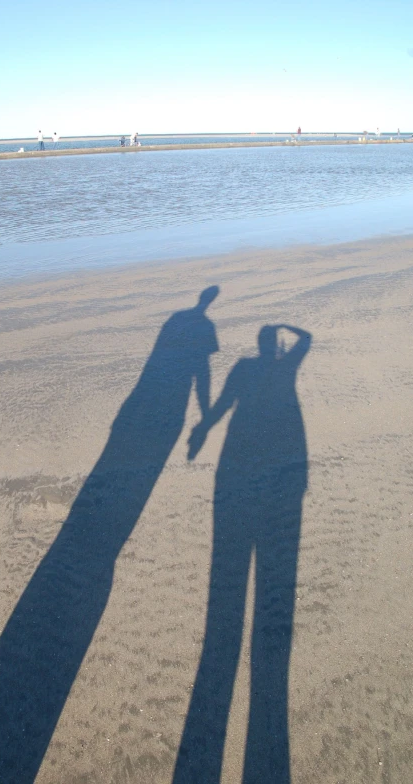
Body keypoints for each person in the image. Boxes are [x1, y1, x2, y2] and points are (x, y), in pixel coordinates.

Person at [0, 288, 221, 784]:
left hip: (141, 413)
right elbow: (201, 375)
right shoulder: (195, 325)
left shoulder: (180, 321)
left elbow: (185, 368)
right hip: (158, 416)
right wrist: (208, 413)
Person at [174, 323, 311, 784]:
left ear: (261, 345)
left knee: (229, 584)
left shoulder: (248, 368)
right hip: (278, 461)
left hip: (239, 461)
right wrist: (291, 333)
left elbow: (224, 404)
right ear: (275, 347)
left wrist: (202, 429)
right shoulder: (284, 365)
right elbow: (308, 339)